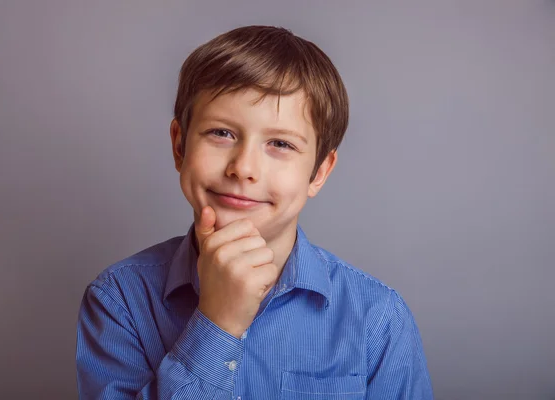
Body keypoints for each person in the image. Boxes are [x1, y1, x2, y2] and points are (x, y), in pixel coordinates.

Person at [76, 25, 434, 399]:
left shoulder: (377, 319)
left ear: (320, 172)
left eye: (280, 143)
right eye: (221, 133)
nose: (243, 167)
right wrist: (217, 323)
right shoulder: (120, 299)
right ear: (179, 146)